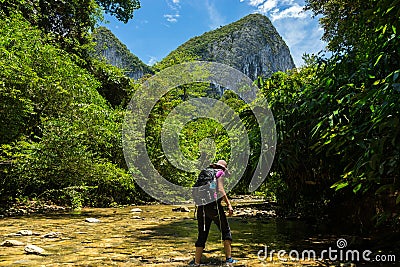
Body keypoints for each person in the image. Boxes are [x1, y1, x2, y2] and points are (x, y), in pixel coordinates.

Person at [190, 160, 238, 266]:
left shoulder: (206, 173)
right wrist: (229, 205)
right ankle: (229, 260)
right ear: (223, 168)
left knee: (202, 234)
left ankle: (196, 262)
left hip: (201, 207)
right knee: (226, 231)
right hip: (214, 207)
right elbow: (220, 189)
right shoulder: (219, 173)